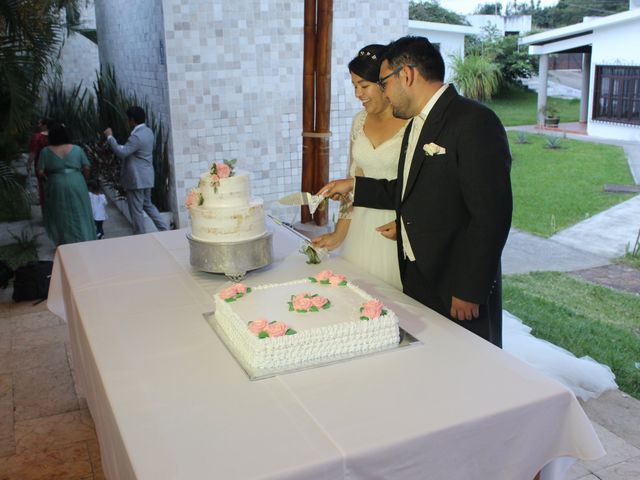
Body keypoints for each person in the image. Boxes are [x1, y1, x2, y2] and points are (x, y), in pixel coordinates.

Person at [320, 36, 513, 347]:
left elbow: (491, 216)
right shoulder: (414, 123)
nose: (383, 92)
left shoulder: (475, 122)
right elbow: (410, 189)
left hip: (454, 282)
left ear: (406, 75)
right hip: (417, 274)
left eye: (383, 82)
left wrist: (469, 289)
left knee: (465, 368)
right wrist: (357, 186)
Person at [312, 44, 407, 290]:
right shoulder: (359, 121)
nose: (358, 94)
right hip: (362, 226)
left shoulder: (412, 123)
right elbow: (354, 181)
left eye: (364, 86)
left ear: (386, 83)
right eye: (354, 86)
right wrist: (339, 234)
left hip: (397, 226)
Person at [103, 106, 168, 235]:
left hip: (137, 178)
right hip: (147, 176)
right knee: (148, 204)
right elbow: (134, 150)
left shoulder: (136, 136)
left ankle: (140, 236)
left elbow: (122, 152)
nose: (128, 122)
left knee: (136, 209)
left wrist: (110, 137)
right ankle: (165, 229)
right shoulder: (148, 132)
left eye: (128, 119)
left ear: (132, 120)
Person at [37, 123, 97, 245]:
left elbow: (40, 171)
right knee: (80, 211)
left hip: (56, 183)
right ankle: (84, 238)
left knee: (60, 213)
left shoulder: (45, 152)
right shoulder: (77, 149)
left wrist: (48, 179)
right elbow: (86, 167)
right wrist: (83, 180)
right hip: (77, 181)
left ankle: (64, 242)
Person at [28, 117, 52, 210]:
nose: (38, 125)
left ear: (45, 125)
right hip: (54, 164)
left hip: (41, 165)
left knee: (43, 188)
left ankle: (46, 212)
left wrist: (29, 163)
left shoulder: (37, 137)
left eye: (39, 123)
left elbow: (33, 152)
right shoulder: (54, 135)